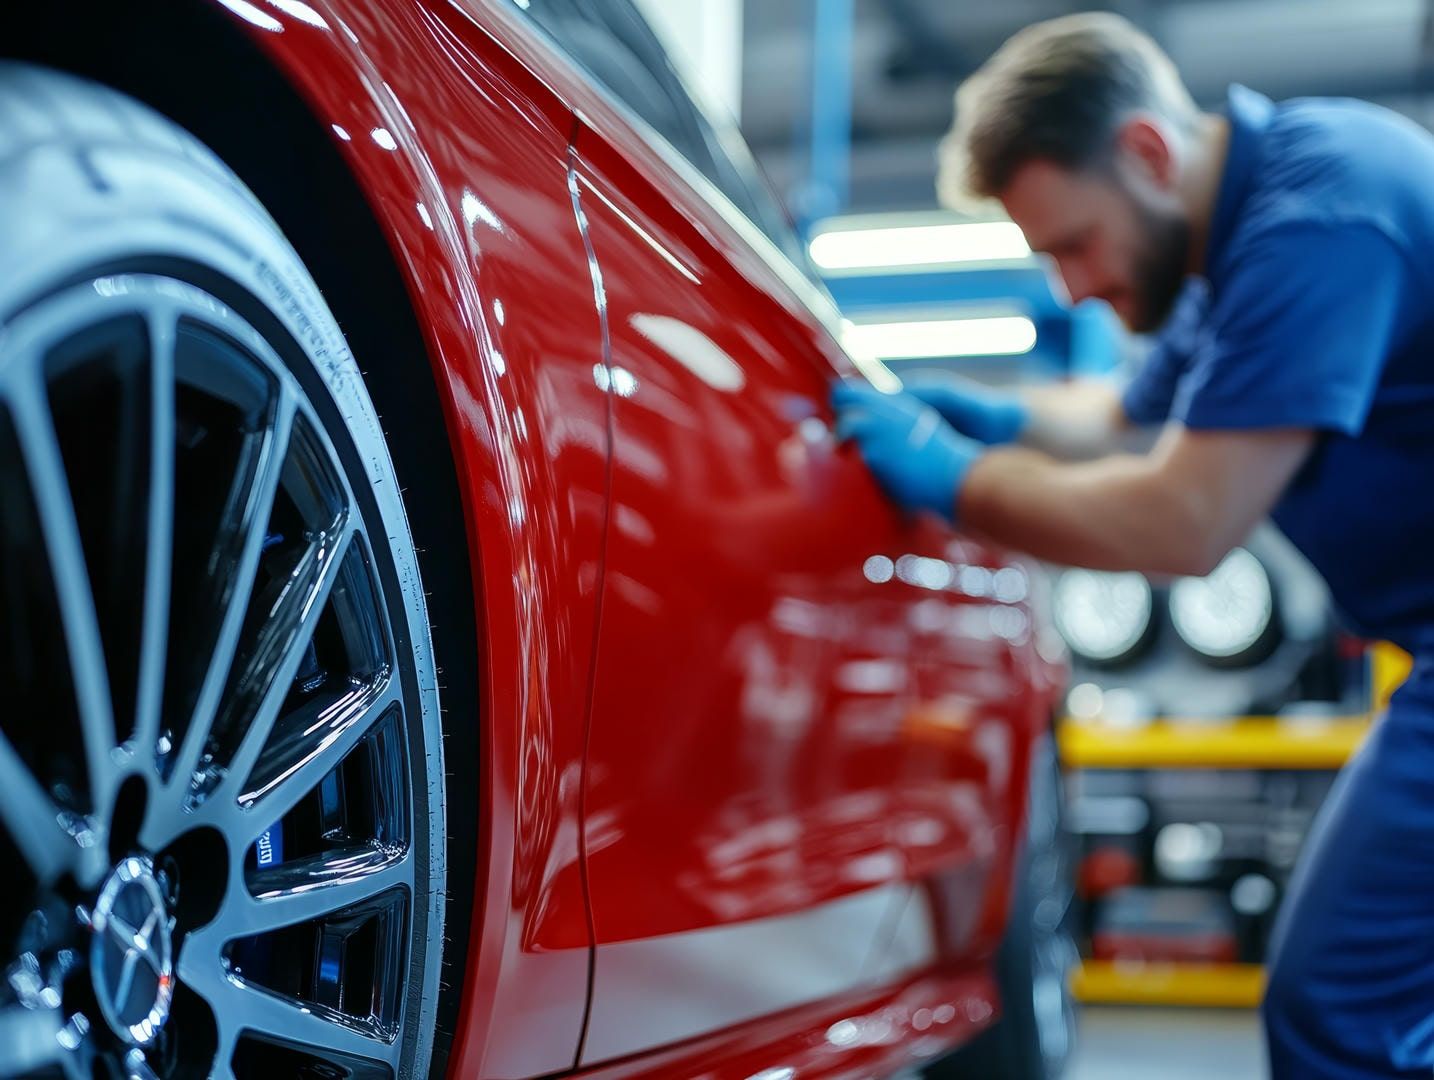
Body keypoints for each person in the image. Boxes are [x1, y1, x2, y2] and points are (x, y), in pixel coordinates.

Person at [830, 12, 1434, 1079]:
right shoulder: (1223, 259)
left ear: (1148, 153)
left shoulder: (1318, 215)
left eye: (1073, 244)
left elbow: (1181, 522)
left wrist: (956, 482)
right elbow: (1120, 420)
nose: (1068, 288)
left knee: (1339, 1007)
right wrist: (998, 419)